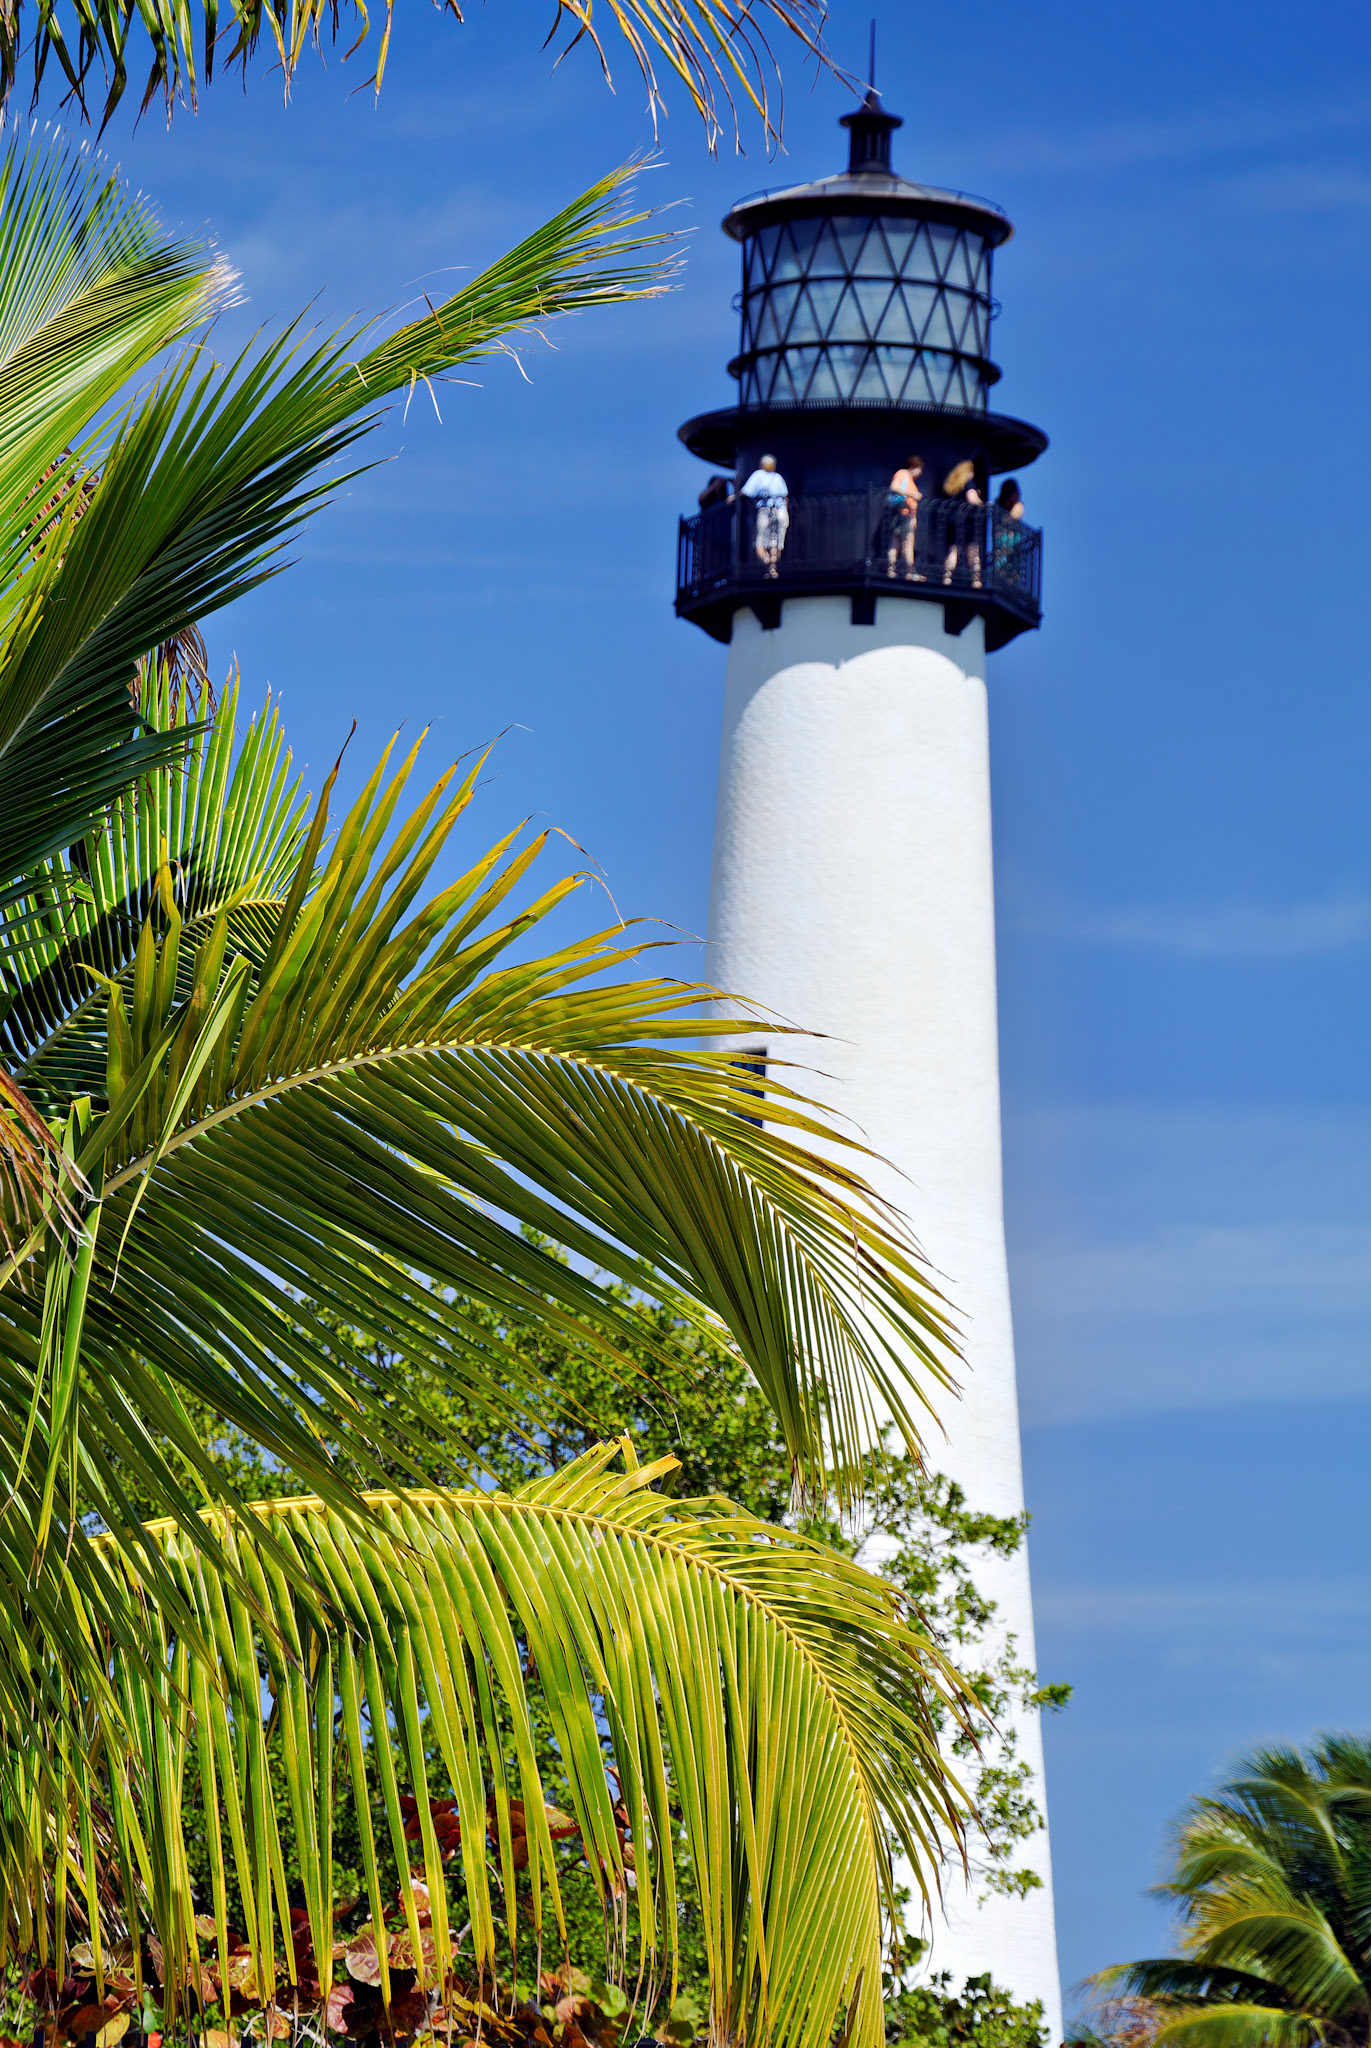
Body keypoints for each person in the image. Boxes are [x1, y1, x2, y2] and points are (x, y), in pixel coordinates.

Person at [740, 453, 789, 578]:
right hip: (780, 510)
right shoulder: (778, 477)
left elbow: (746, 492)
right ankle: (773, 568)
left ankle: (768, 564)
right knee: (776, 542)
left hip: (765, 510)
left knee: (760, 541)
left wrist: (734, 496)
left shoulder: (758, 475)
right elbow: (785, 498)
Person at [941, 458, 983, 588]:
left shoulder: (954, 485)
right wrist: (982, 503)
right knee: (973, 551)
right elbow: (972, 499)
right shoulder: (969, 483)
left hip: (952, 521)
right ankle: (976, 581)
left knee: (953, 550)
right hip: (966, 522)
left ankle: (947, 578)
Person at [886, 454, 924, 578]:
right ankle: (910, 572)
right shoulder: (903, 474)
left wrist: (914, 518)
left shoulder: (910, 479)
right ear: (914, 466)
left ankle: (891, 571)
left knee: (896, 542)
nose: (921, 472)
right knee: (908, 542)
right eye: (920, 468)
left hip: (905, 515)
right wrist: (913, 494)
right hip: (902, 514)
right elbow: (894, 487)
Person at [992, 477, 1025, 586]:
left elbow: (1014, 517)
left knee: (1011, 567)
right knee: (1000, 564)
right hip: (1001, 541)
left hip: (1011, 541)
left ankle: (1009, 581)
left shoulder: (1018, 506)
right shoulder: (997, 505)